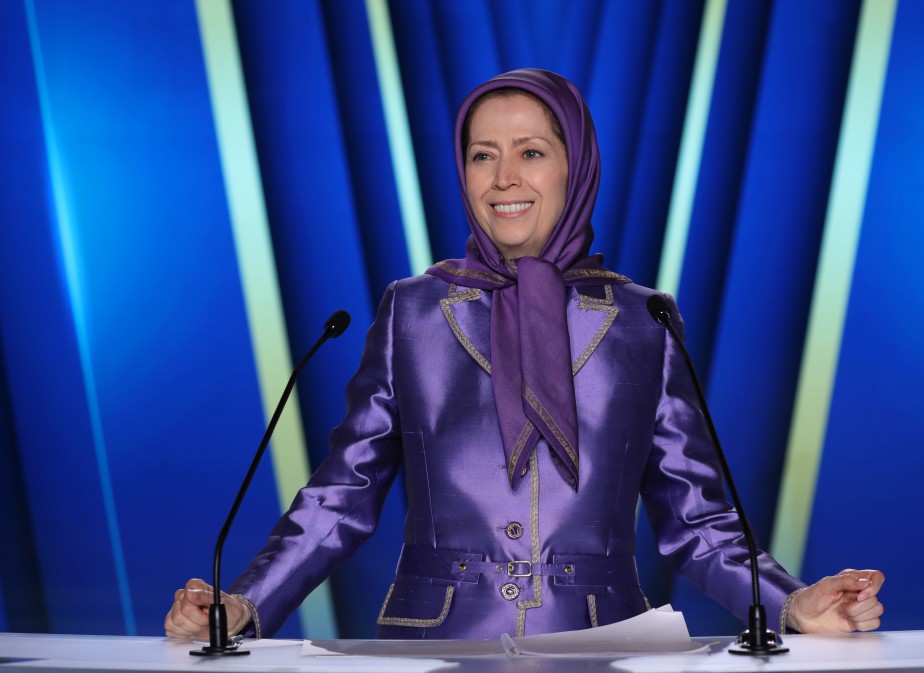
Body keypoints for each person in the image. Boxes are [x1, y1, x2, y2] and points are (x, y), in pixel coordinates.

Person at [165, 68, 884, 642]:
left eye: (531, 153)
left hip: (605, 644)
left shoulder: (645, 319)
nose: (503, 177)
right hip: (436, 643)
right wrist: (244, 603)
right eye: (483, 155)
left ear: (577, 167)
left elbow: (698, 523)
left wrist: (790, 602)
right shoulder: (413, 309)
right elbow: (342, 494)